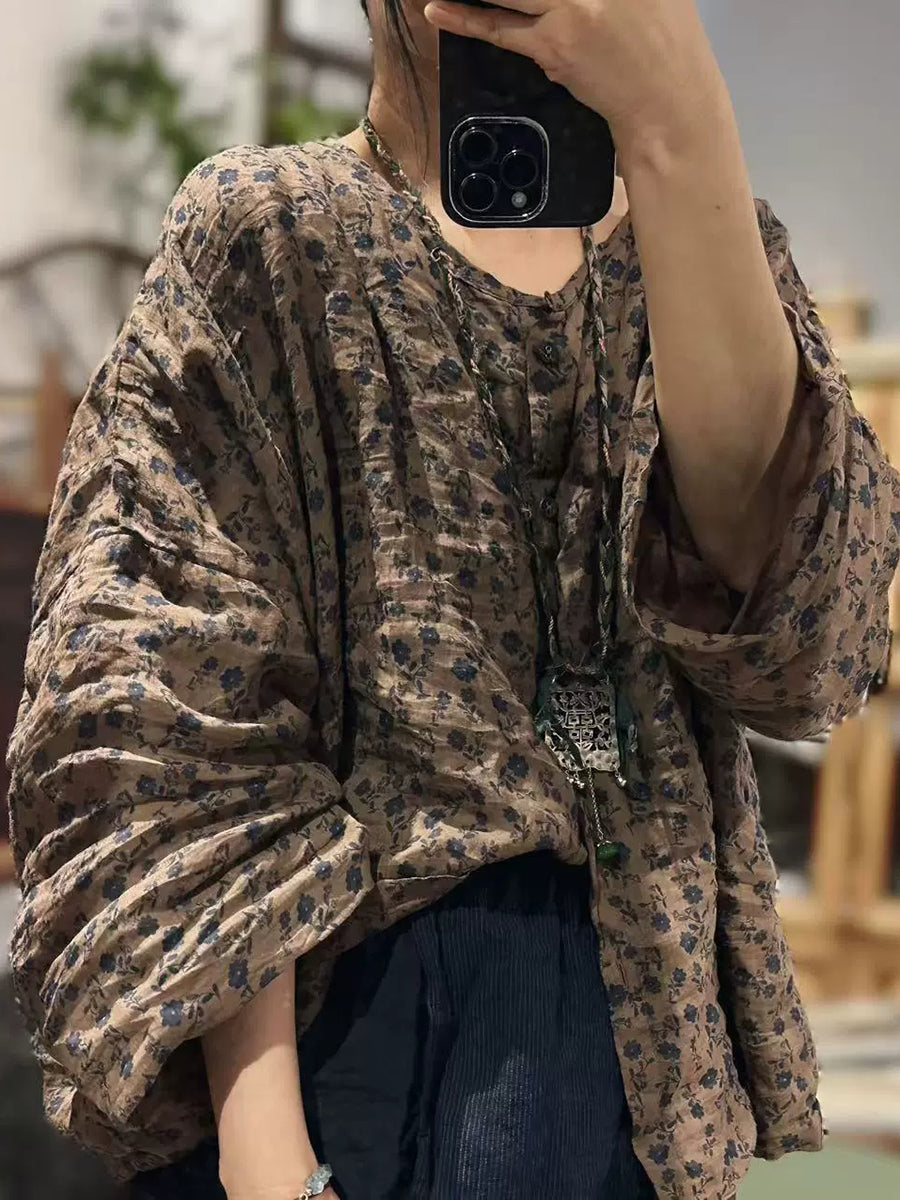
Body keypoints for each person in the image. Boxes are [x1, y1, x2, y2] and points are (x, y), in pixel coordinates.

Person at [6, 1, 899, 1198]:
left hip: (654, 1040)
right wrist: (272, 1162)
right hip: (368, 1028)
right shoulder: (270, 231)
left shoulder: (709, 245)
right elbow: (162, 709)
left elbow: (808, 643)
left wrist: (682, 123)